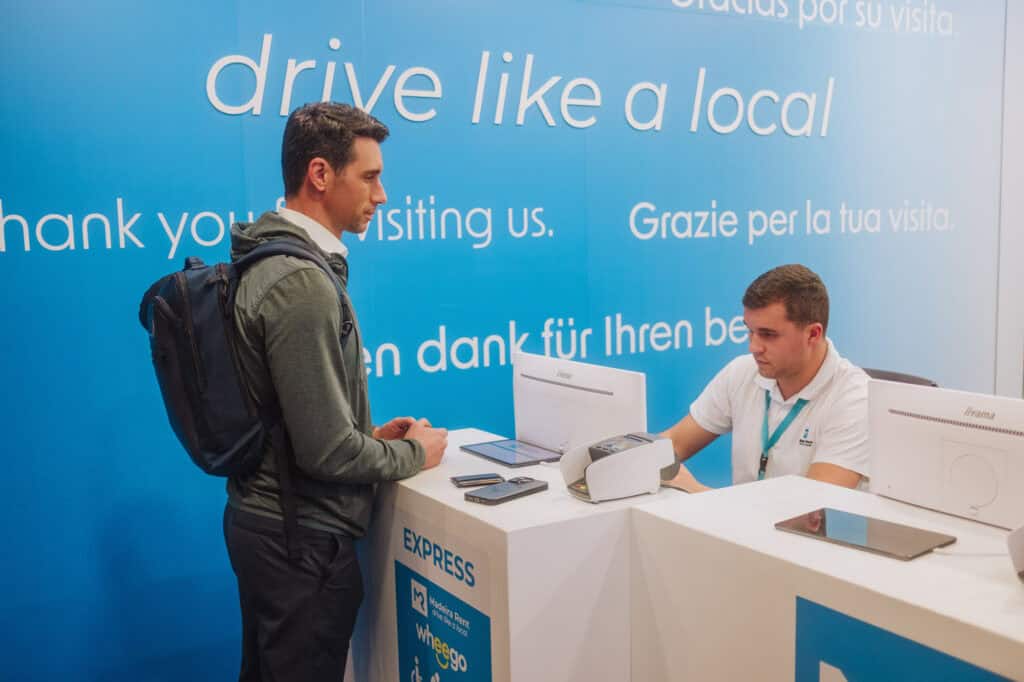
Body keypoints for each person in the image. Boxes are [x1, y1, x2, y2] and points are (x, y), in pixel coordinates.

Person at [222, 102, 448, 681]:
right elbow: (324, 453)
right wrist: (413, 454)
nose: (383, 195)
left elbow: (291, 418)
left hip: (276, 530)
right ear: (320, 175)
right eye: (369, 177)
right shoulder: (301, 281)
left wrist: (365, 435)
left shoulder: (276, 262)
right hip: (299, 545)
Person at [662, 264, 868, 492]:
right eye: (750, 331)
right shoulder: (741, 372)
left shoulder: (856, 399)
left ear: (813, 334)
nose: (754, 347)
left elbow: (809, 514)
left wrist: (696, 492)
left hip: (798, 528)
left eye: (768, 335)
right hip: (732, 525)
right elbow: (672, 444)